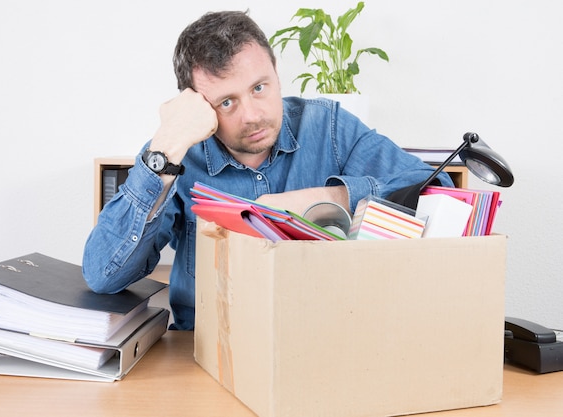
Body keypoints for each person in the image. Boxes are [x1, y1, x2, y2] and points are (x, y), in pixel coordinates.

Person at [82, 10, 453, 330]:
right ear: (197, 105)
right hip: (208, 349)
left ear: (276, 72)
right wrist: (164, 151)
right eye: (226, 102)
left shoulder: (329, 127)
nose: (252, 115)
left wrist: (328, 197)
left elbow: (442, 193)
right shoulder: (177, 156)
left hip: (322, 341)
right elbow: (103, 276)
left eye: (259, 87)